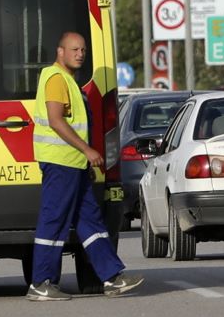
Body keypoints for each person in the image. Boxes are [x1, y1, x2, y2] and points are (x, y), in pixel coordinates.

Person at [27, 32, 141, 302]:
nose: (80, 54)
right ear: (60, 52)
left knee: (91, 222)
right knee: (54, 222)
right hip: (60, 163)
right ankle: (41, 283)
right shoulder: (56, 79)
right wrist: (87, 150)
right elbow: (56, 120)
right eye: (74, 49)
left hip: (73, 165)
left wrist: (84, 162)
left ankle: (112, 277)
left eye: (83, 50)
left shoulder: (69, 81)